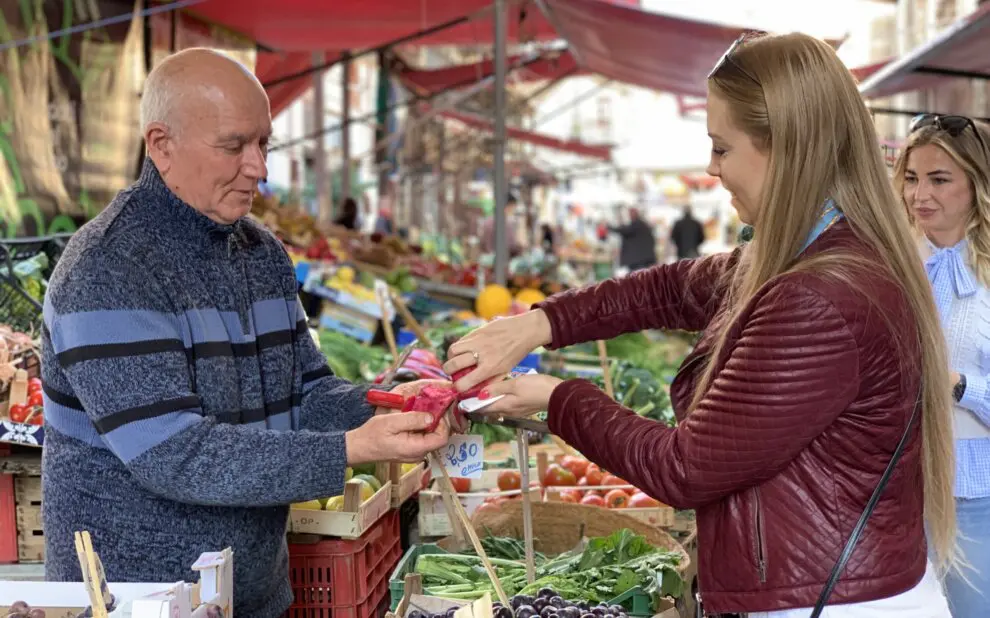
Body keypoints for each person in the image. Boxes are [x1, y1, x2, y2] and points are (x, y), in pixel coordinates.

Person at [443, 33, 956, 617]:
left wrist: (558, 398)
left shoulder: (821, 296)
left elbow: (684, 468)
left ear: (785, 149)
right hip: (823, 585)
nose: (711, 169)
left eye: (721, 147)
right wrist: (538, 324)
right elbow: (669, 289)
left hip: (824, 599)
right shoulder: (814, 250)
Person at [40, 49, 449, 618]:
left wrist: (381, 406)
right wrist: (354, 447)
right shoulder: (108, 270)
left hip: (255, 593)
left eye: (264, 144)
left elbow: (305, 392)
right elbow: (174, 454)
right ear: (161, 146)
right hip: (135, 603)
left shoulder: (261, 253)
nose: (258, 167)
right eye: (234, 146)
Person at [894, 113, 990, 618]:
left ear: (976, 183)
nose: (919, 195)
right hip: (896, 496)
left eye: (939, 179)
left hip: (976, 499)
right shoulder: (890, 263)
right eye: (911, 178)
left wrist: (955, 385)